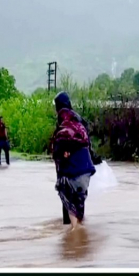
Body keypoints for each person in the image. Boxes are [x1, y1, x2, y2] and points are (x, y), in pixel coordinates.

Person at [52, 94, 96, 229]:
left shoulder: (63, 120)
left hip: (71, 170)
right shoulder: (79, 120)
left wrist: (62, 154)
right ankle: (78, 232)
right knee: (79, 200)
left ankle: (72, 234)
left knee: (69, 204)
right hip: (86, 168)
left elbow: (59, 146)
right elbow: (87, 143)